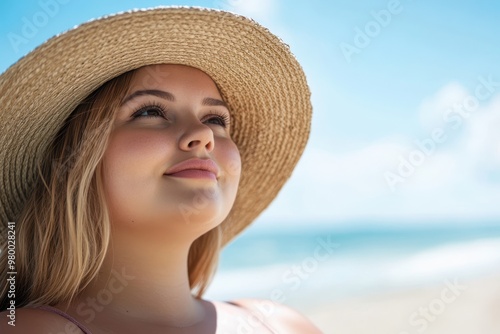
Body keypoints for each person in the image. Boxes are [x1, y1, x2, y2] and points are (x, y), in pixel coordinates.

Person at [0, 7, 318, 333]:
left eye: (215, 120)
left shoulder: (282, 324)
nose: (204, 135)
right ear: (75, 160)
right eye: (151, 110)